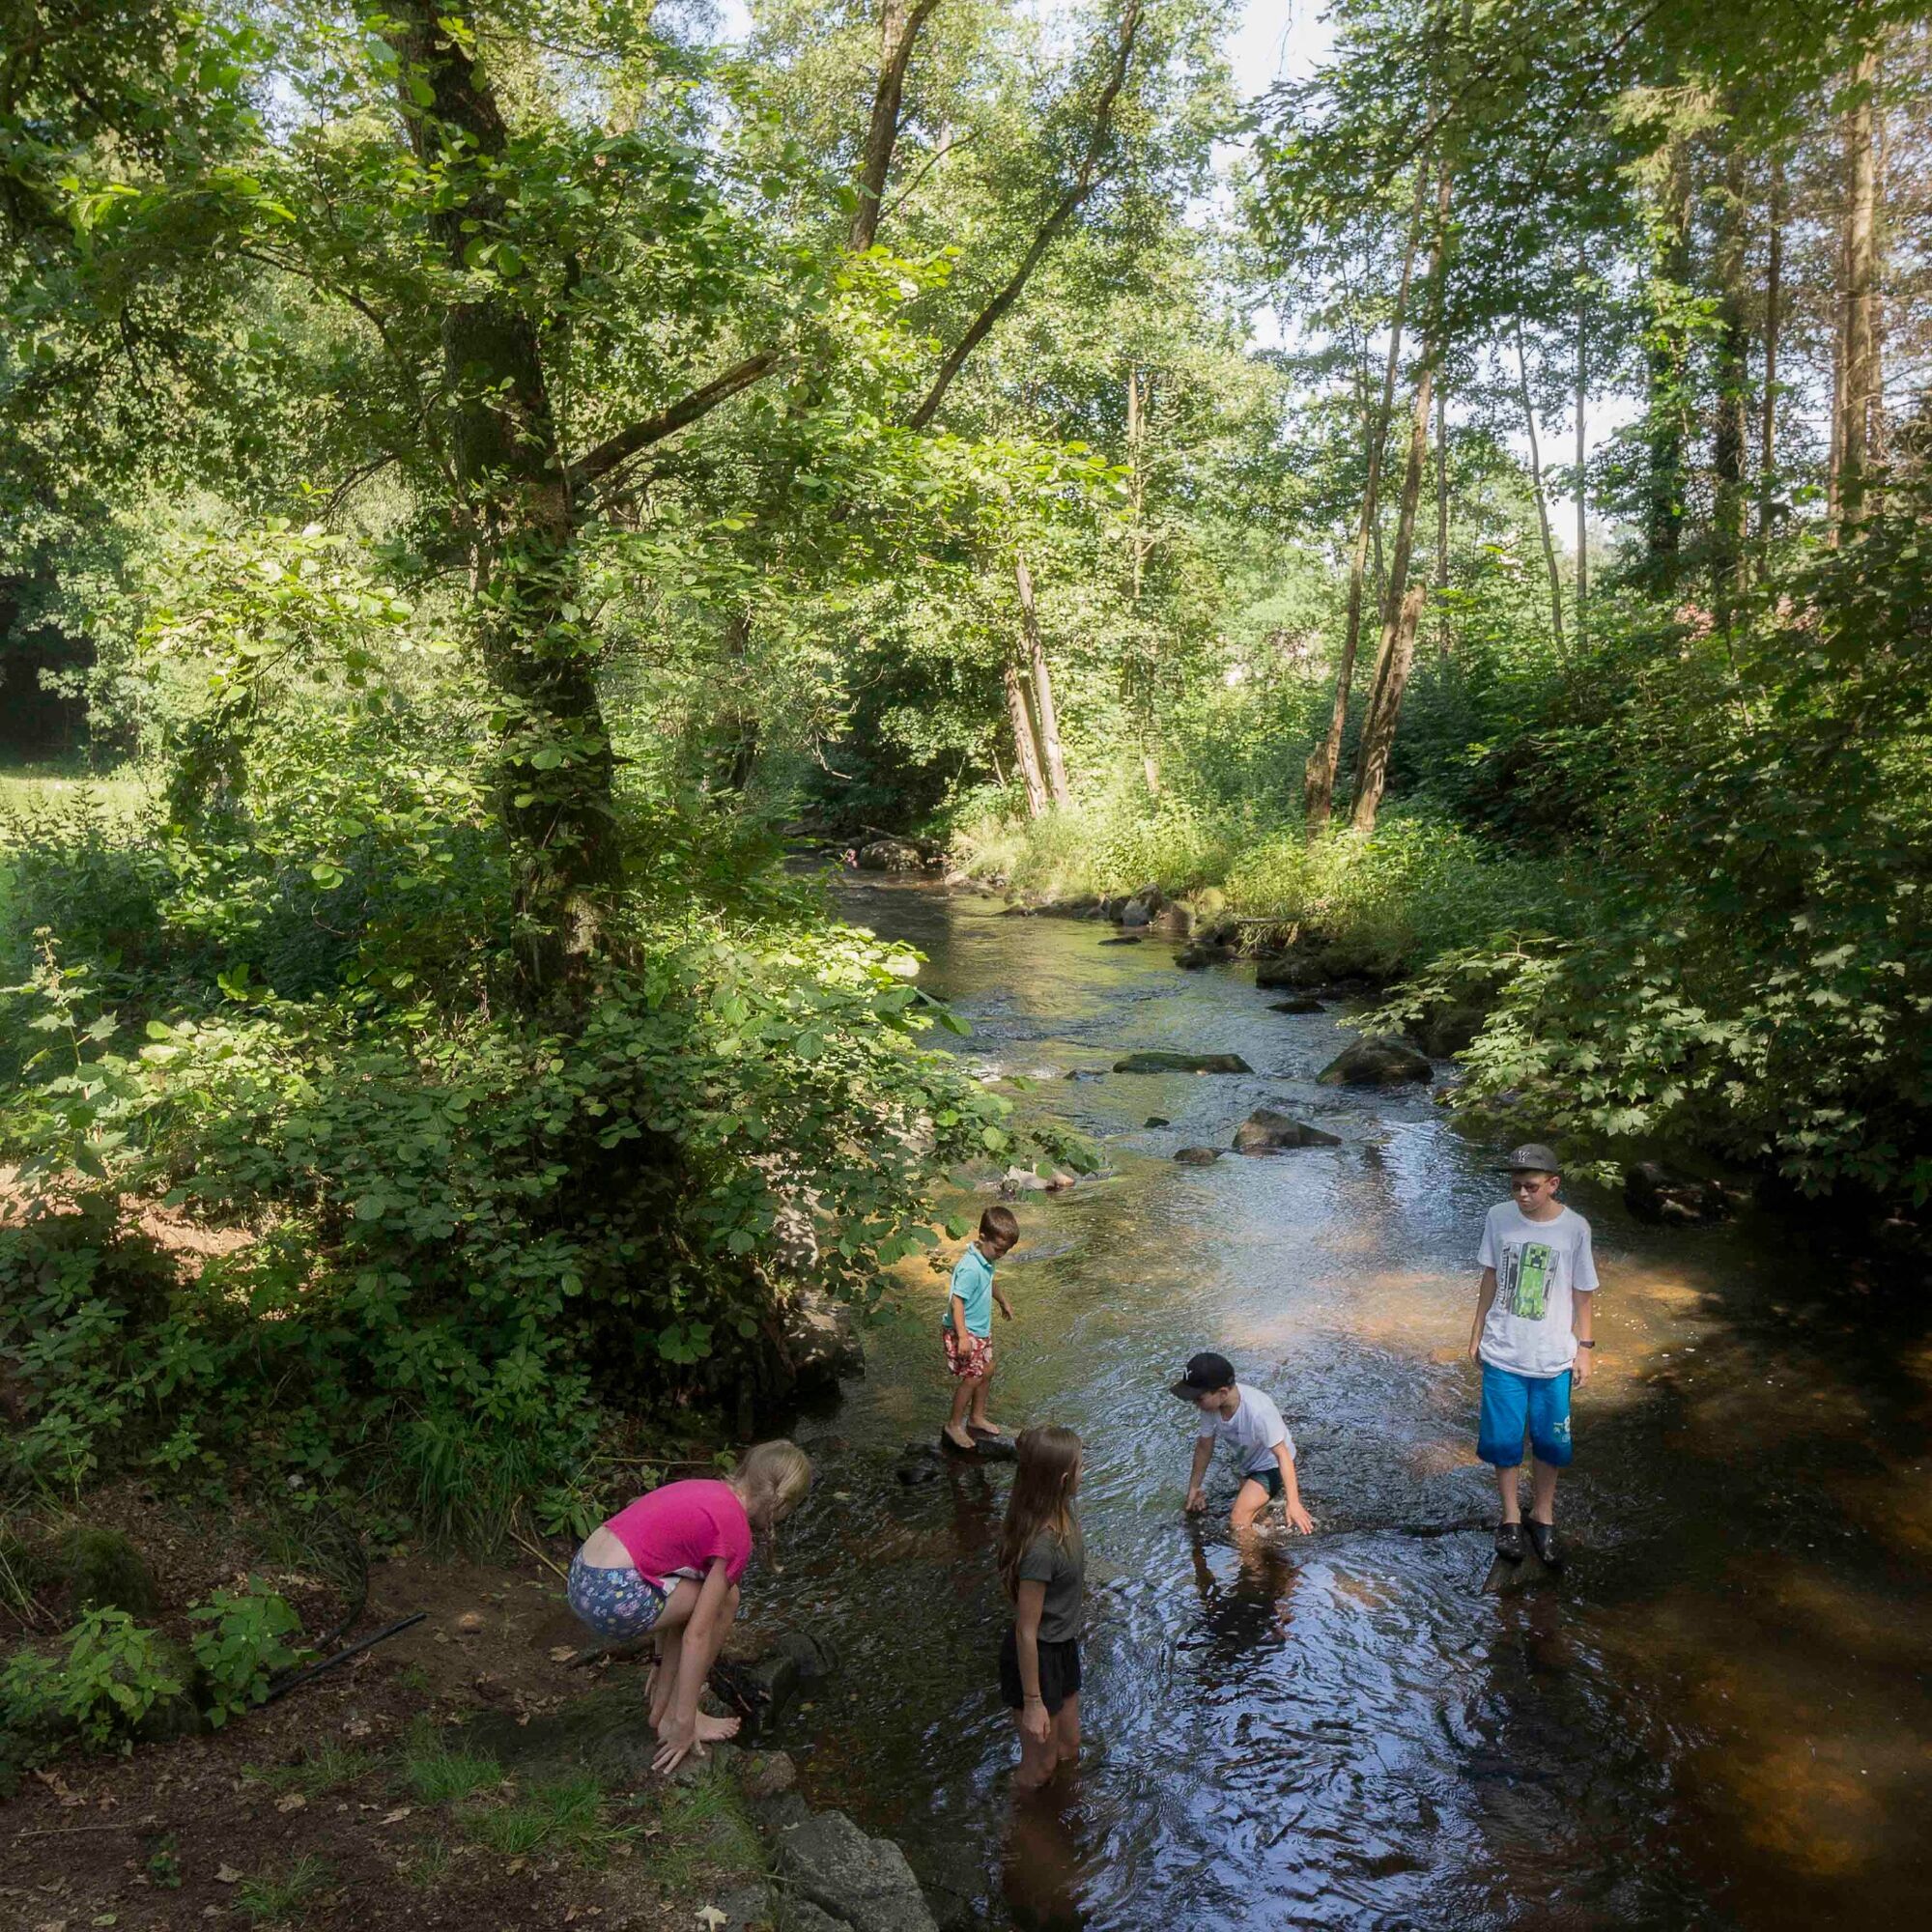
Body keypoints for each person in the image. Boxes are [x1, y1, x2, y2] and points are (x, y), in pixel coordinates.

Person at [566, 1440, 812, 1772]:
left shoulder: (708, 1491)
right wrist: (685, 1726)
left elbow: (663, 1574)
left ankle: (663, 1704)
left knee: (711, 1594)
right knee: (724, 1602)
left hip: (582, 1576)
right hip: (610, 1596)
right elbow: (697, 1633)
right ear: (780, 1504)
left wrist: (659, 1661)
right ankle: (681, 1717)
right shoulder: (736, 1534)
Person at [1467, 1143, 1598, 1570]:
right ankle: (1509, 1518)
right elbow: (1490, 1275)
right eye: (1516, 1186)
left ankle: (1542, 1516)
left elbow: (1583, 1292)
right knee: (1503, 1442)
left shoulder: (1574, 1229)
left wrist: (1585, 1348)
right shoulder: (1498, 1217)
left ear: (1553, 1184)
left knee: (1551, 1443)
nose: (1522, 1194)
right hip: (1503, 1351)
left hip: (1552, 1357)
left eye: (1532, 1186)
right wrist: (1476, 1331)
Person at [998, 1424, 1086, 1791]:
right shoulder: (1041, 1548)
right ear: (1063, 1480)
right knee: (1041, 1767)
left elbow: (1031, 1455)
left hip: (1061, 1646)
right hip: (1037, 1657)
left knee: (1069, 1749)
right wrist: (1033, 1702)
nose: (1085, 1472)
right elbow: (1025, 1630)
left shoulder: (1063, 1512)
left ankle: (1061, 1812)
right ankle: (1014, 1817)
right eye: (1080, 1466)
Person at [1172, 1351, 1316, 1535]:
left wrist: (1293, 1503)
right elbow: (1204, 1446)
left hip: (1272, 1465)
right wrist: (1194, 1487)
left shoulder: (1259, 1412)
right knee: (1255, 1519)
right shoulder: (1210, 1406)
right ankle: (1269, 1541)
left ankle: (1251, 1556)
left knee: (1238, 1519)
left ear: (1223, 1393)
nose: (1195, 1403)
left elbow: (1283, 1455)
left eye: (1198, 1398)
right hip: (1248, 1463)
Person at [942, 1205, 1020, 1452]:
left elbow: (990, 1281)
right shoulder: (970, 1267)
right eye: (998, 1249)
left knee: (987, 1369)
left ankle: (976, 1417)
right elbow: (957, 1301)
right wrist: (963, 1336)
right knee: (972, 1377)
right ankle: (954, 1425)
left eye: (1006, 1251)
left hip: (980, 1330)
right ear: (983, 1237)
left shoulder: (985, 1260)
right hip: (965, 1331)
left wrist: (1003, 1301)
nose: (1001, 1255)